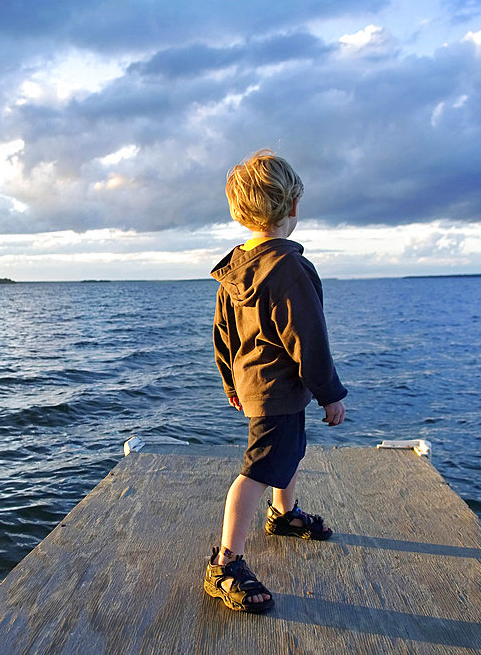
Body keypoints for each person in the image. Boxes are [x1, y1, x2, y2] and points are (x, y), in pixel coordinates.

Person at [203, 149, 347, 613]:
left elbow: (222, 333)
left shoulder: (235, 270)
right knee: (258, 470)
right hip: (279, 389)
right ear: (292, 209)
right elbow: (309, 338)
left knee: (289, 451)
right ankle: (225, 562)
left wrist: (229, 382)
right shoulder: (289, 269)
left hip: (255, 385)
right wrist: (329, 393)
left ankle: (285, 515)